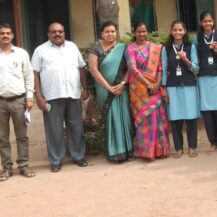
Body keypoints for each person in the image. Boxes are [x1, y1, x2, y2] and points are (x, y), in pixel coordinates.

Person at [32, 22, 90, 171]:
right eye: (54, 32)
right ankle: (56, 160)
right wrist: (38, 96)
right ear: (48, 34)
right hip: (51, 96)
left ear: (64, 33)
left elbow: (81, 68)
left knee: (76, 127)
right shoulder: (40, 50)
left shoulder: (72, 47)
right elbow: (35, 74)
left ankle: (78, 156)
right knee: (54, 130)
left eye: (60, 31)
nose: (57, 34)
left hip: (73, 93)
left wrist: (85, 88)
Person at [0, 24, 35, 181]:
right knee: (2, 138)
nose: (5, 36)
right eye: (2, 33)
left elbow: (29, 76)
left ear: (12, 36)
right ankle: (6, 168)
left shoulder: (21, 53)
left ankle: (23, 165)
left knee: (22, 136)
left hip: (19, 101)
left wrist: (29, 98)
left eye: (8, 33)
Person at [87, 22, 133, 163]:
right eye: (107, 31)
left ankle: (128, 150)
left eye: (113, 31)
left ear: (116, 33)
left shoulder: (123, 48)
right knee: (111, 119)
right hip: (104, 90)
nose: (110, 34)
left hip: (121, 89)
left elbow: (129, 69)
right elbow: (94, 71)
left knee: (124, 118)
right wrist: (108, 87)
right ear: (102, 33)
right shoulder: (95, 50)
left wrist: (123, 84)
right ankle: (115, 152)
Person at [125, 22, 170, 161]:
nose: (142, 34)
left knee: (158, 117)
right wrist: (148, 84)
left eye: (144, 31)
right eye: (139, 31)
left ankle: (160, 150)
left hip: (154, 88)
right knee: (143, 119)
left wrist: (157, 84)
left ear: (147, 32)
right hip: (138, 90)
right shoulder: (130, 48)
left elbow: (160, 68)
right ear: (134, 32)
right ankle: (146, 152)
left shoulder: (155, 47)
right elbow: (132, 68)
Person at [194, 11, 217, 154]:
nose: (208, 23)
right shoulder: (197, 39)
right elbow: (195, 60)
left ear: (213, 22)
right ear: (201, 23)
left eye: (210, 21)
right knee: (207, 111)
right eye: (205, 21)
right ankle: (212, 143)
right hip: (204, 78)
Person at [161, 20, 200, 158]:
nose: (177, 32)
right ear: (171, 32)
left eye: (180, 30)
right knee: (175, 118)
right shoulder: (166, 49)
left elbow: (195, 68)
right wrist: (164, 89)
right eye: (175, 30)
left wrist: (185, 59)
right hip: (173, 86)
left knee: (191, 117)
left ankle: (192, 147)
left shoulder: (191, 47)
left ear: (184, 31)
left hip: (189, 86)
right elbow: (164, 70)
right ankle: (178, 148)